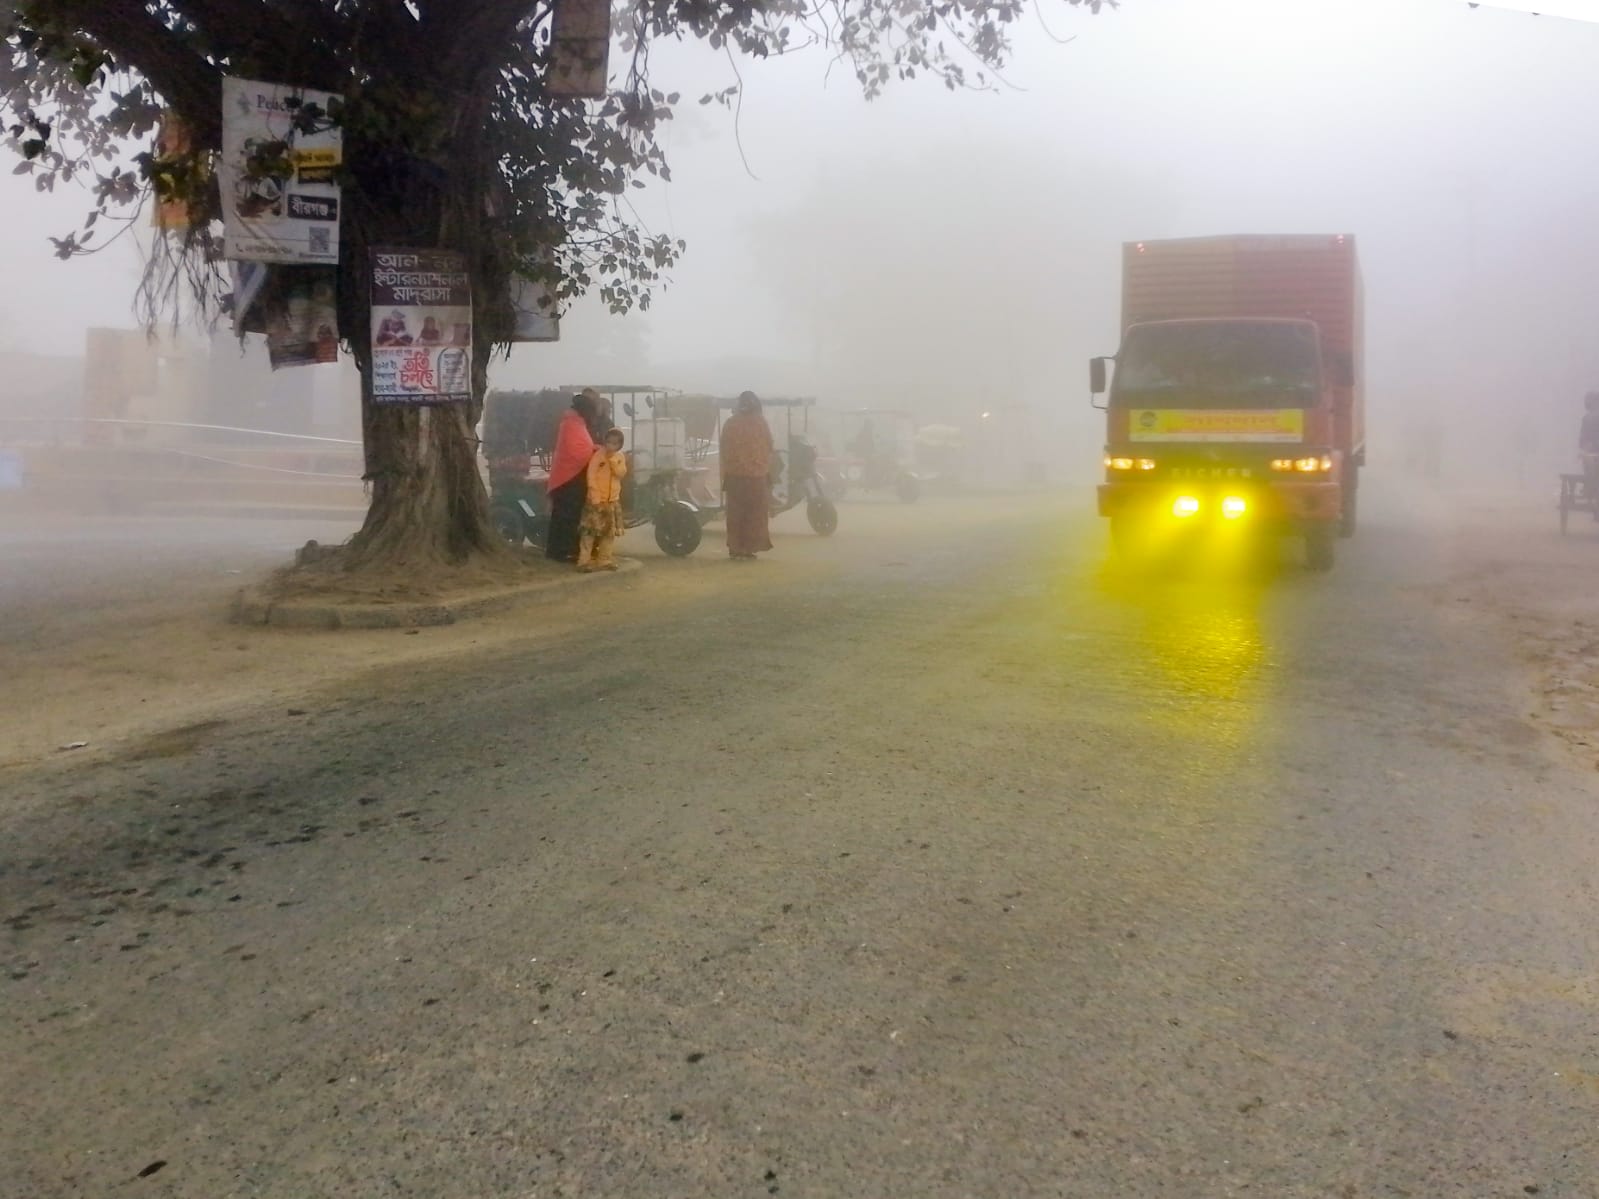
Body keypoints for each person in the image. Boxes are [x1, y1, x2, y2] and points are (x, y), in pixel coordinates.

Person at [719, 391, 774, 560]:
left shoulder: (730, 423)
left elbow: (724, 448)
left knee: (736, 514)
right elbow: (769, 446)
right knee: (755, 514)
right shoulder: (761, 423)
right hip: (757, 477)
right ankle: (749, 548)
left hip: (735, 477)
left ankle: (736, 548)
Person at [546, 390, 599, 563]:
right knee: (565, 517)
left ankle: (562, 550)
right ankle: (560, 552)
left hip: (570, 478)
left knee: (566, 516)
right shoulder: (572, 423)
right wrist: (594, 450)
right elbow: (577, 451)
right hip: (568, 479)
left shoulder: (575, 421)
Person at [578, 427, 628, 572]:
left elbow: (621, 473)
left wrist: (612, 461)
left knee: (608, 532)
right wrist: (595, 496)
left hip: (612, 500)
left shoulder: (619, 457)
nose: (611, 445)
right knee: (589, 532)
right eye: (609, 442)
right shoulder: (597, 456)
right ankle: (583, 561)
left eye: (615, 443)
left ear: (620, 445)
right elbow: (591, 476)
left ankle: (604, 560)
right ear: (604, 441)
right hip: (596, 501)